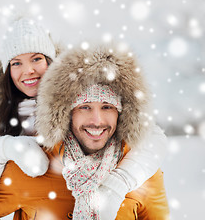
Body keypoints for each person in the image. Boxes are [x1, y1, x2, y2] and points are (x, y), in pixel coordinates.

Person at [0, 17, 168, 219]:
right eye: (85, 107)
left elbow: (153, 137)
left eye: (107, 107)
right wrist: (3, 148)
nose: (28, 70)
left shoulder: (137, 166)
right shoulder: (4, 123)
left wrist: (118, 183)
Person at [35, 44, 170, 219]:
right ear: (67, 114)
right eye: (85, 107)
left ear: (121, 114)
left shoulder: (143, 173)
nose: (97, 121)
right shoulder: (38, 167)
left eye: (107, 107)